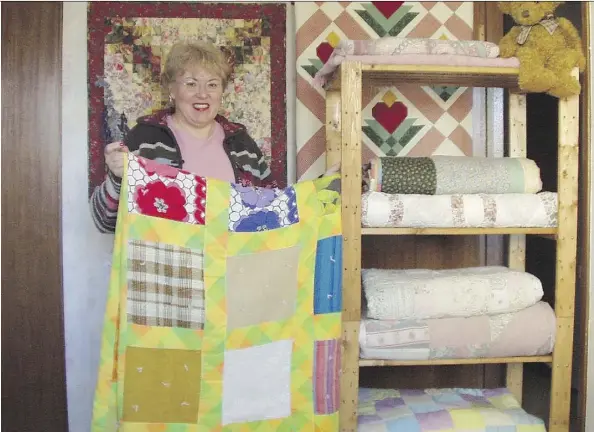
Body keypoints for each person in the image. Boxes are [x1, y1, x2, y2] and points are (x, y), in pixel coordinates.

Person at [90, 41, 278, 233]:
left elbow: (273, 213)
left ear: (222, 91)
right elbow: (104, 222)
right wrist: (116, 178)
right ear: (171, 89)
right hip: (166, 262)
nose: (203, 94)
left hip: (232, 261)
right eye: (191, 84)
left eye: (212, 84)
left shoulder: (242, 144)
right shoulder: (145, 140)